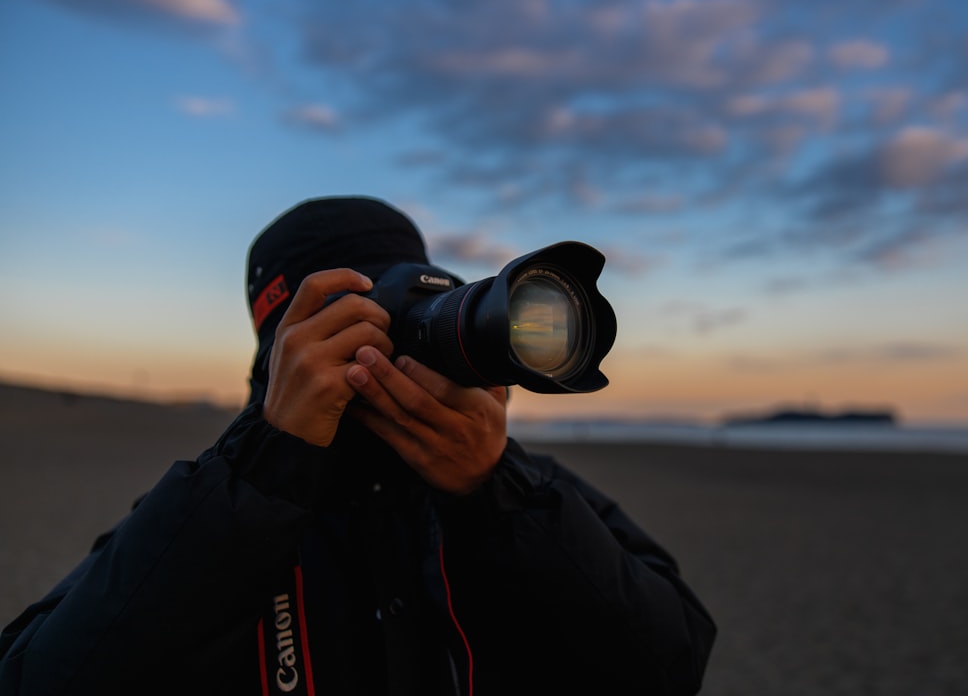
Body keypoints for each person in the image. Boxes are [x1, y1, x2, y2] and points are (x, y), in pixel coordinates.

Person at [0, 196, 716, 695]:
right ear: (288, 347)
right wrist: (270, 465)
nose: (400, 341)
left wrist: (493, 488)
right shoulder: (213, 510)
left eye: (418, 312)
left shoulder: (518, 489)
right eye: (363, 315)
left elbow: (667, 667)